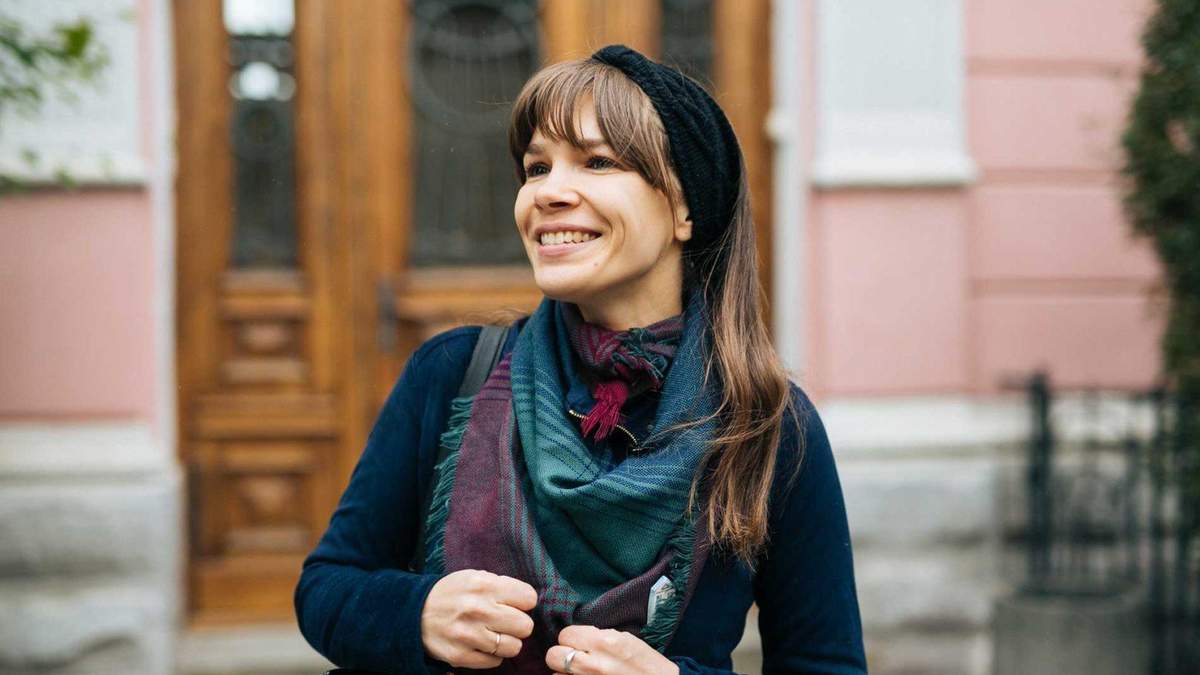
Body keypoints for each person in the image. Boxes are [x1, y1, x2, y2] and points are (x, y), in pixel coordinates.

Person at [295, 44, 866, 675]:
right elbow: (327, 587)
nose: (549, 192)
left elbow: (826, 663)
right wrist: (418, 613)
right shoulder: (453, 373)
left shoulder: (765, 424)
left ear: (685, 208)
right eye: (536, 168)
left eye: (597, 162)